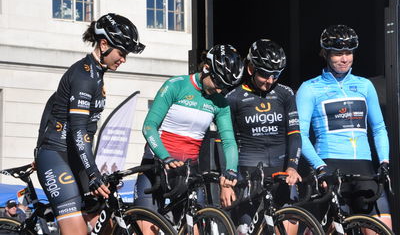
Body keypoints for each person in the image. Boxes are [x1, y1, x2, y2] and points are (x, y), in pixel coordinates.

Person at [34, 13, 145, 235]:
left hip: (76, 156)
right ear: (104, 44)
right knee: (77, 231)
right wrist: (93, 173)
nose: (123, 59)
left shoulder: (96, 74)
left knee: (106, 225)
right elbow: (78, 130)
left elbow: (52, 102)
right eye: (121, 53)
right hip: (56, 155)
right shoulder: (84, 76)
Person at [134, 44, 244, 233]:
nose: (220, 90)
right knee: (148, 231)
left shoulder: (220, 103)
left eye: (225, 86)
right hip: (156, 165)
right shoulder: (176, 85)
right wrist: (165, 156)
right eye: (218, 82)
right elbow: (149, 126)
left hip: (187, 173)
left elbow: (229, 141)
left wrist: (231, 171)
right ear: (206, 68)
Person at [296, 24, 392, 228]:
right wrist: (319, 166)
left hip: (364, 167)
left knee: (384, 226)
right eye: (338, 53)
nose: (344, 59)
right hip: (329, 166)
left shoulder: (365, 85)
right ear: (326, 53)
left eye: (349, 53)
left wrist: (384, 161)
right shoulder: (310, 88)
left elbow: (379, 128)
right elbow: (300, 135)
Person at [223, 39, 302, 234]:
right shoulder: (233, 98)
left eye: (276, 75)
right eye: (265, 75)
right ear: (250, 68)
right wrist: (226, 181)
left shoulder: (285, 94)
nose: (270, 81)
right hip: (247, 175)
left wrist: (292, 166)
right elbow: (225, 143)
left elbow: (295, 134)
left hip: (280, 173)